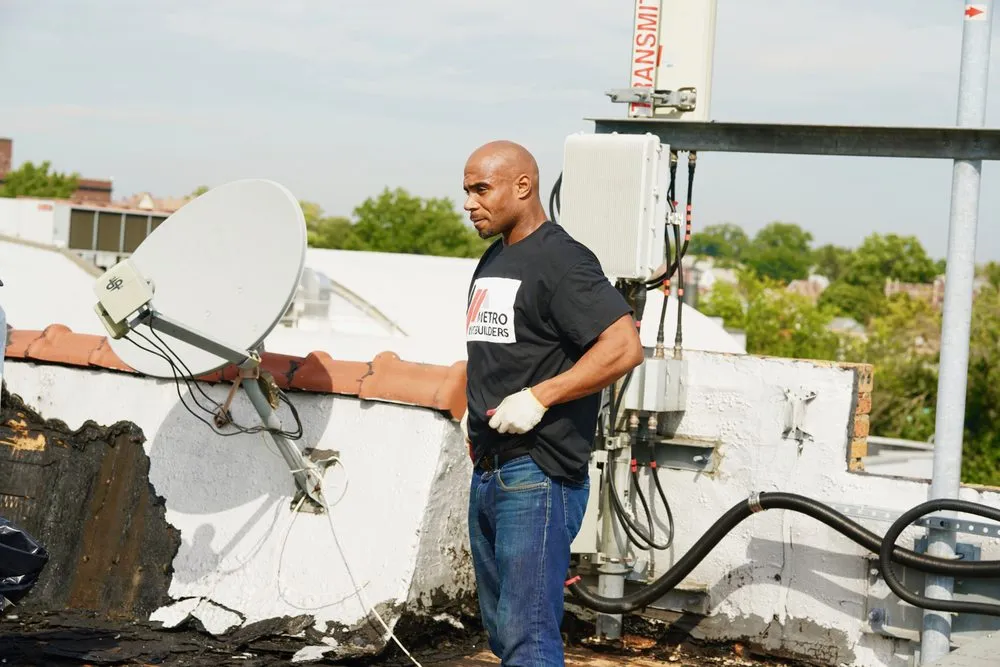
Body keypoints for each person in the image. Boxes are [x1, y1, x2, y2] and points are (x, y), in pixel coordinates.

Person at [459, 140, 644, 665]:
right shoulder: (495, 259)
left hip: (537, 477)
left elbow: (624, 346)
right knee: (503, 633)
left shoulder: (561, 259)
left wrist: (540, 397)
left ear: (523, 187)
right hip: (491, 471)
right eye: (467, 191)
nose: (469, 204)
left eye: (480, 189)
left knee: (529, 637)